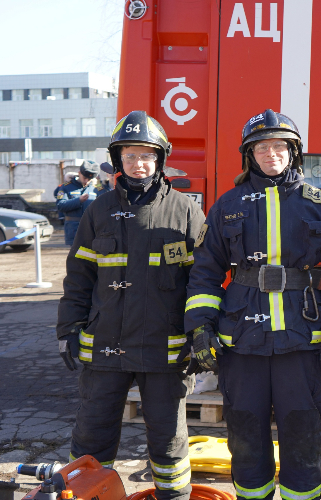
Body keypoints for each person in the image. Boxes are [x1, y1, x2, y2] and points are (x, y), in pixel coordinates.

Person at [184, 109, 321, 500]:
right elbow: (205, 273)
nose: (271, 153)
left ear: (294, 152)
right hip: (242, 337)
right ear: (250, 154)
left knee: (303, 431)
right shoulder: (227, 204)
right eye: (262, 147)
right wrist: (200, 328)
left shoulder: (319, 203)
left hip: (302, 336)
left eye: (280, 146)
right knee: (245, 431)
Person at [57, 110, 205, 500]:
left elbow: (203, 282)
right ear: (118, 160)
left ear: (160, 159)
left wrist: (200, 332)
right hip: (104, 346)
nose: (138, 163)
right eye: (130, 156)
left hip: (165, 349)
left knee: (168, 440)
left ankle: (173, 496)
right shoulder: (99, 210)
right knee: (92, 435)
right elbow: (79, 278)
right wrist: (67, 330)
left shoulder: (186, 211)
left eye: (146, 155)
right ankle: (88, 493)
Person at [56, 161, 106, 244]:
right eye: (85, 178)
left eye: (89, 179)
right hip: (73, 230)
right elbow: (60, 205)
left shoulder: (97, 189)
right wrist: (78, 200)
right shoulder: (65, 187)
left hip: (92, 230)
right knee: (76, 256)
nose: (86, 180)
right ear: (79, 173)